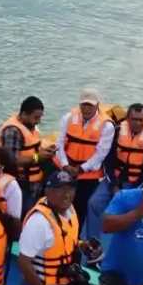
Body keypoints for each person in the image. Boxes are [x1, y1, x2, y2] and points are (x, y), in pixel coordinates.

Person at [16, 170, 82, 285]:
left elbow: (64, 241)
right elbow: (23, 262)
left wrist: (82, 245)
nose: (67, 194)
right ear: (48, 192)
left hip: (60, 283)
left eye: (71, 189)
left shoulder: (69, 210)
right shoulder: (39, 222)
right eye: (61, 190)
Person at [88, 102, 143, 230]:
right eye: (135, 119)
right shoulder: (117, 131)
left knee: (127, 211)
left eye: (141, 120)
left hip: (136, 184)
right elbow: (108, 160)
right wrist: (113, 185)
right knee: (94, 203)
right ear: (127, 118)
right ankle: (93, 238)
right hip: (114, 178)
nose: (138, 123)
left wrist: (132, 192)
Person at [54, 89, 114, 232]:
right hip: (67, 170)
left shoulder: (107, 126)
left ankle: (76, 237)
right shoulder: (68, 118)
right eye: (83, 105)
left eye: (90, 105)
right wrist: (65, 165)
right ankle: (58, 231)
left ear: (97, 105)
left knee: (81, 208)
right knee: (60, 204)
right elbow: (59, 144)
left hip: (88, 176)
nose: (86, 108)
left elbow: (101, 153)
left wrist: (81, 169)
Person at [0, 97, 46, 205]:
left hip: (34, 181)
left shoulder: (31, 126)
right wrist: (38, 157)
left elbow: (32, 148)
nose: (39, 121)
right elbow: (11, 160)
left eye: (40, 117)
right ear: (24, 114)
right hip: (21, 182)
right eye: (36, 117)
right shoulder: (12, 131)